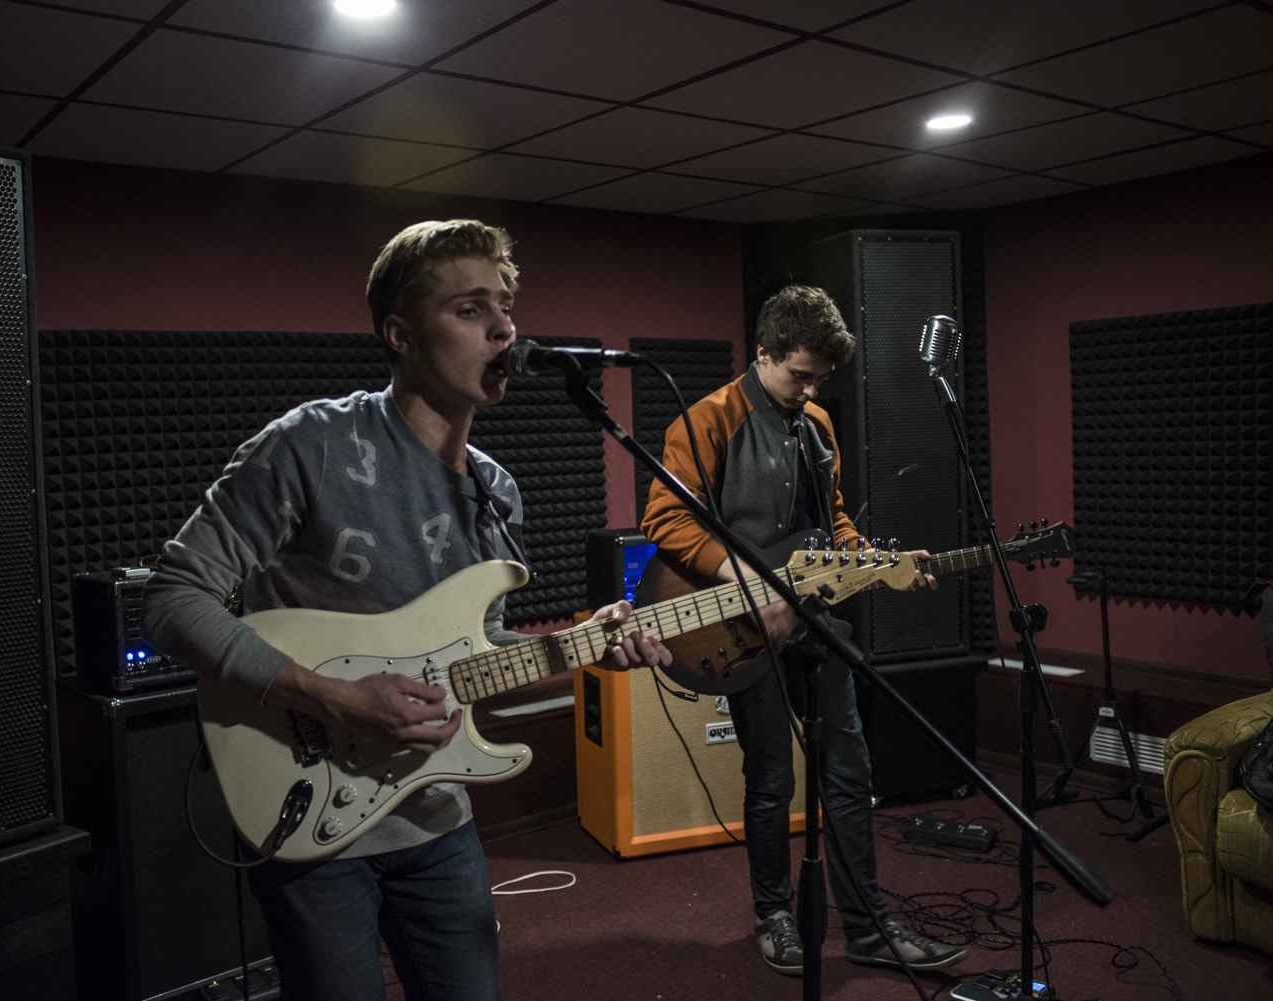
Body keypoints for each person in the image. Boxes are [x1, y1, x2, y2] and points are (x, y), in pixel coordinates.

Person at [141, 219, 667, 1001]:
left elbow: (474, 657)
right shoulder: (310, 444)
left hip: (436, 816)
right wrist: (337, 697)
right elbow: (172, 597)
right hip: (313, 814)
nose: (504, 328)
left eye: (507, 307)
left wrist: (582, 644)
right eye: (469, 309)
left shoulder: (496, 489)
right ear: (400, 334)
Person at [640, 284, 967, 977]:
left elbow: (834, 520)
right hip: (738, 625)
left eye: (821, 377)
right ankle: (775, 917)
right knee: (770, 780)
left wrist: (875, 560)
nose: (811, 388)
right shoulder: (709, 417)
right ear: (762, 353)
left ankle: (869, 924)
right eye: (800, 374)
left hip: (814, 619)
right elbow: (666, 520)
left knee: (849, 772)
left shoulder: (816, 424)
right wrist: (746, 581)